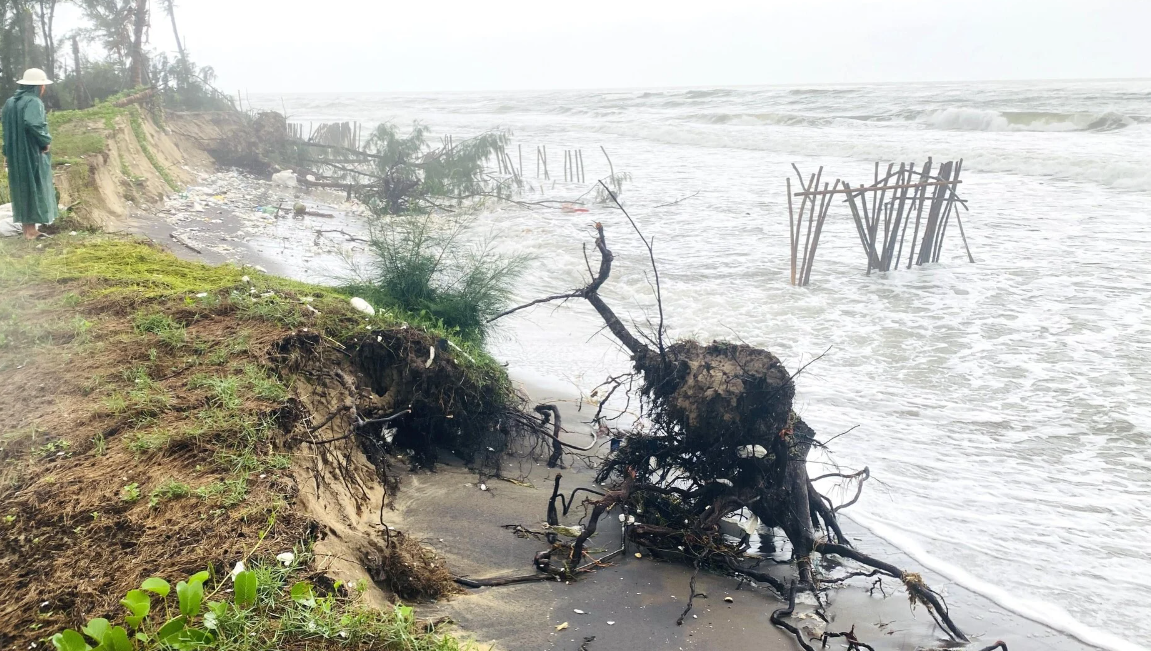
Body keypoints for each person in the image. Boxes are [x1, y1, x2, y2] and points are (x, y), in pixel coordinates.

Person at [2, 68, 57, 240]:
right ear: (38, 86)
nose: (43, 89)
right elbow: (34, 124)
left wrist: (6, 152)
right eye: (42, 85)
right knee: (35, 186)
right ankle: (31, 232)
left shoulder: (10, 102)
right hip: (30, 152)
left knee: (22, 188)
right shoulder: (33, 102)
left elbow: (6, 129)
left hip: (15, 153)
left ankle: (28, 230)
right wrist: (45, 141)